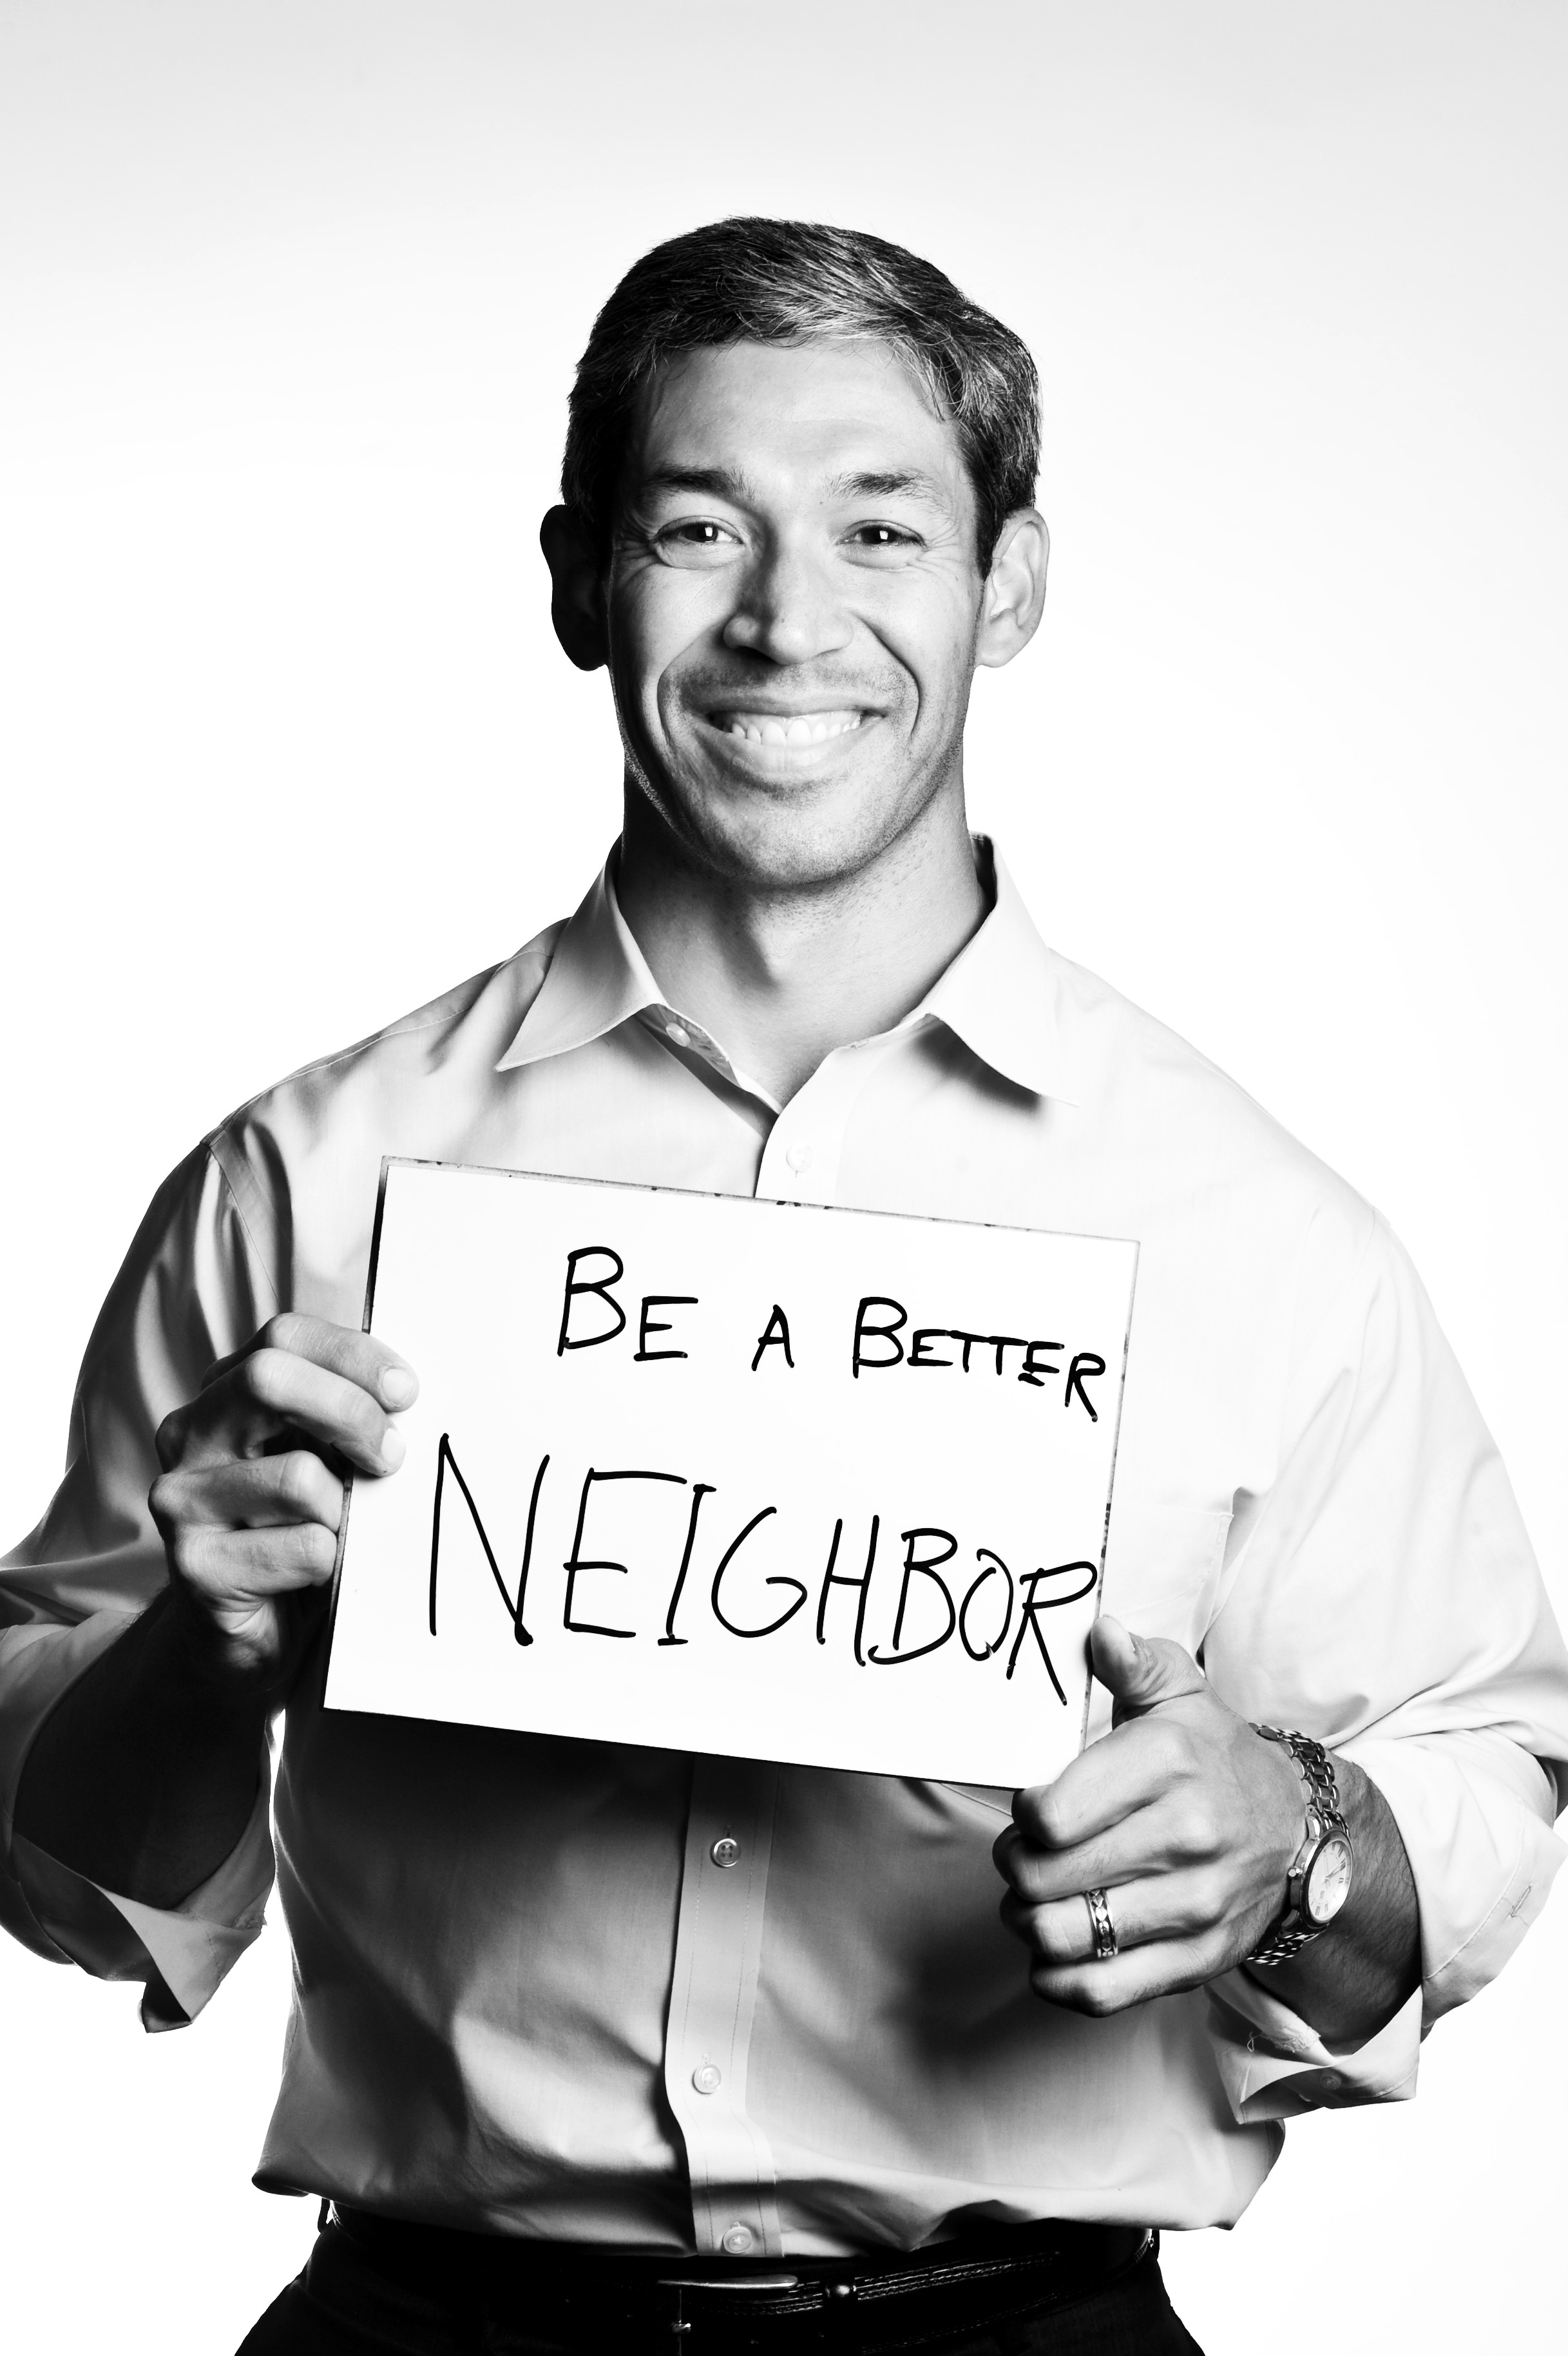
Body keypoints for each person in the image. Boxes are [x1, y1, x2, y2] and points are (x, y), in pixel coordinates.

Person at [2, 217, 1564, 2356]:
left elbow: (1470, 1789)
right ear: (576, 580)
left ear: (1007, 581)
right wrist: (200, 1648)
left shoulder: (1257, 1228)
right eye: (697, 526)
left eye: (881, 528)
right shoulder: (307, 1180)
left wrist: (1296, 1829)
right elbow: (62, 1884)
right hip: (422, 2340)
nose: (783, 621)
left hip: (1032, 2338)